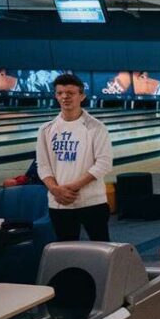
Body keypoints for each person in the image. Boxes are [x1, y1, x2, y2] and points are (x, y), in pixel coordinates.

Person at [35, 73, 113, 241]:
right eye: (60, 93)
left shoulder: (96, 128)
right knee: (66, 254)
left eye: (70, 93)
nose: (65, 97)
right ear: (56, 96)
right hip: (58, 202)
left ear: (82, 95)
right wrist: (55, 189)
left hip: (92, 202)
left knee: (102, 251)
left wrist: (71, 188)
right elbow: (42, 165)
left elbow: (103, 164)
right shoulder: (46, 129)